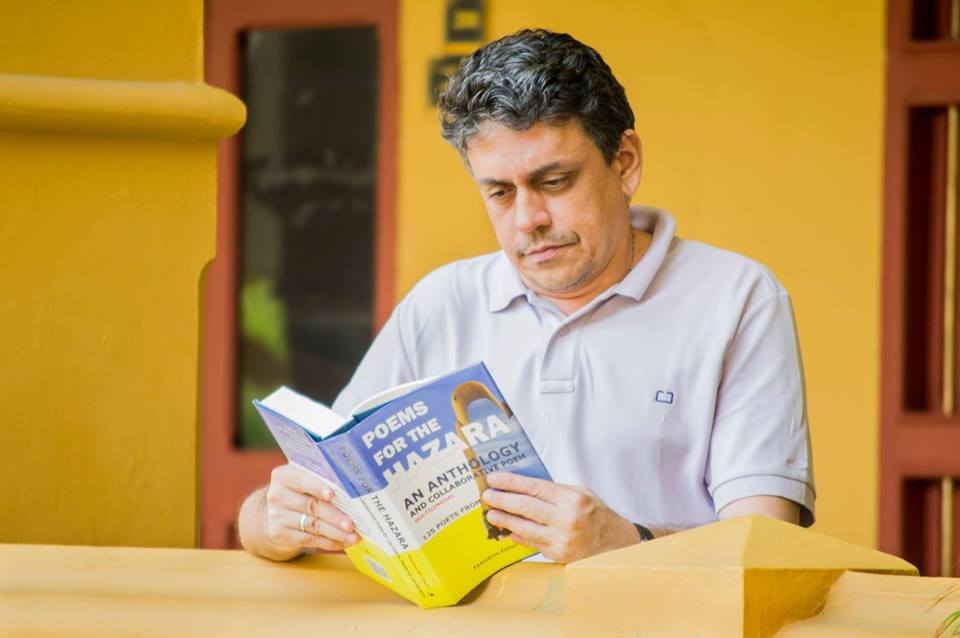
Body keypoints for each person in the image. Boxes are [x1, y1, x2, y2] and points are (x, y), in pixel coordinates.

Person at [238, 28, 815, 564]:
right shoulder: (441, 303)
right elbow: (305, 497)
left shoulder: (736, 299)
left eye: (553, 182)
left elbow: (767, 548)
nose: (528, 220)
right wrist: (271, 520)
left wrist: (622, 542)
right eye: (499, 193)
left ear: (625, 163)